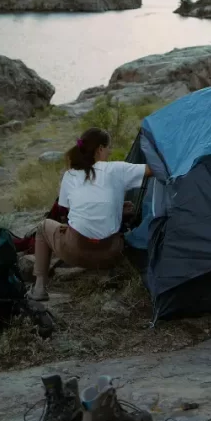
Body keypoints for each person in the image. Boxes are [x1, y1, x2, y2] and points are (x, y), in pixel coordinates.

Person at [29, 127, 150, 301]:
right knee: (118, 234)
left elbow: (74, 211)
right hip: (111, 254)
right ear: (100, 149)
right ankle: (106, 273)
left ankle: (39, 288)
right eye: (108, 147)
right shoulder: (117, 169)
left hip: (74, 252)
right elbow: (153, 169)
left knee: (43, 227)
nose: (110, 151)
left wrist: (116, 207)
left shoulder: (70, 175)